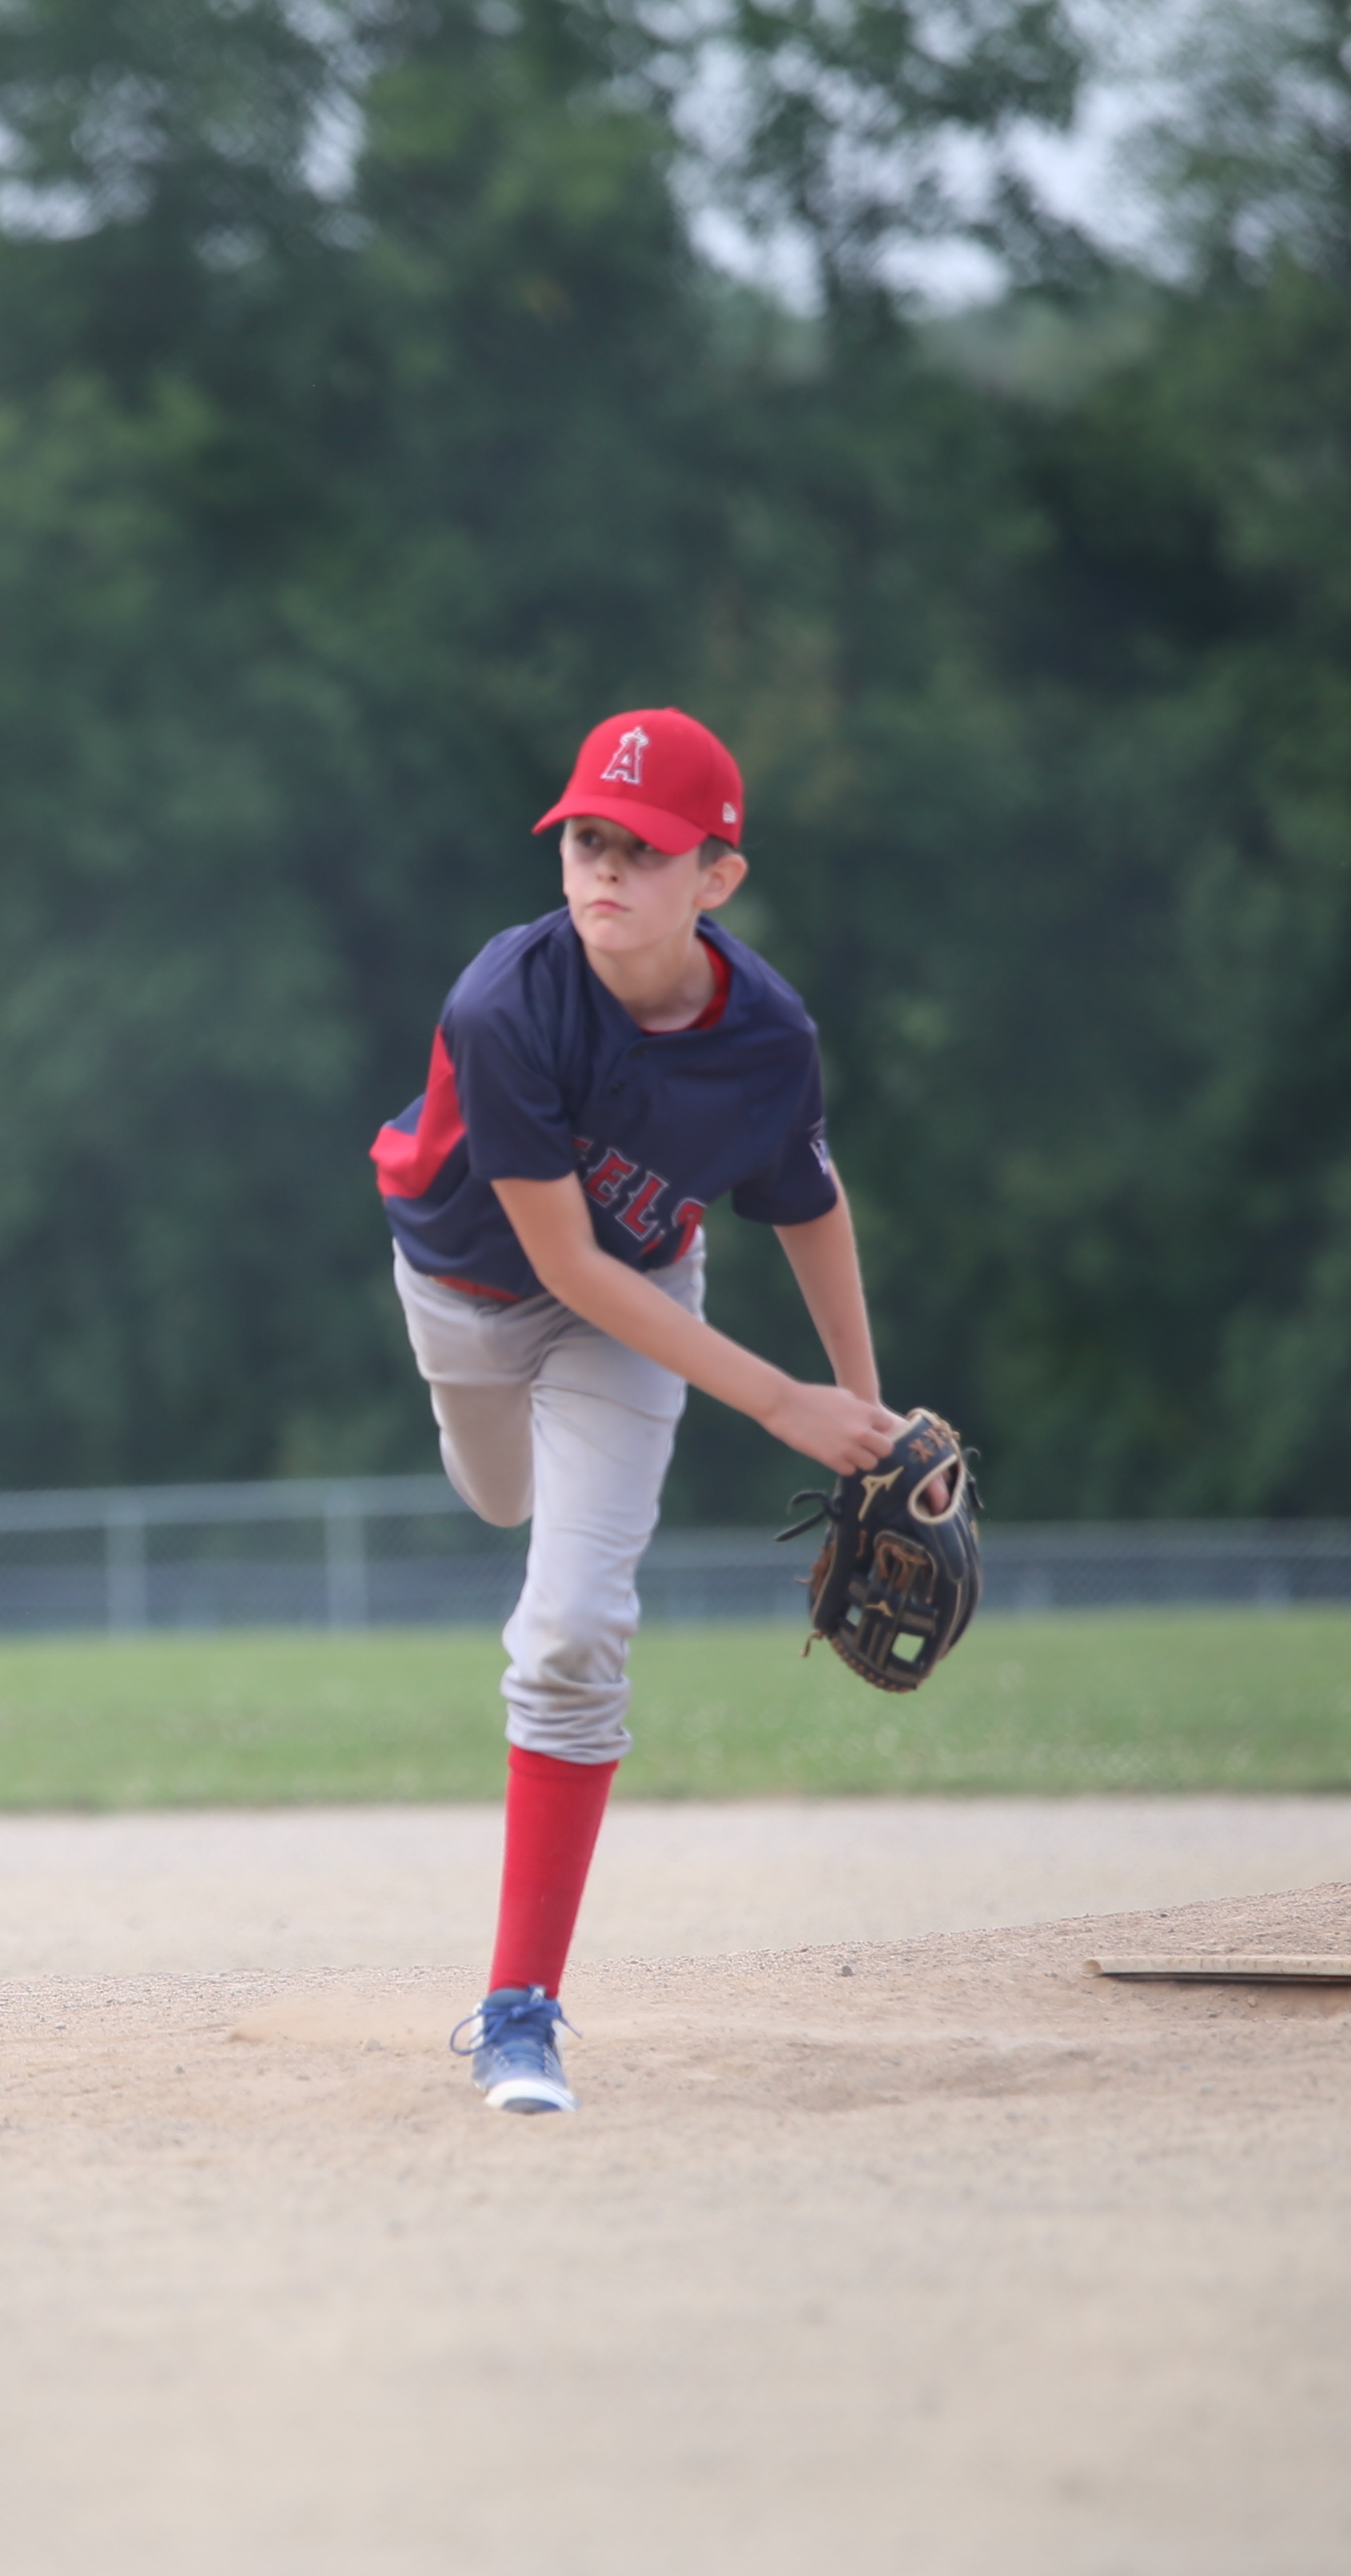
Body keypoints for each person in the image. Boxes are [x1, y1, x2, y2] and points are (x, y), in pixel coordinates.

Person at [369, 711, 901, 2112]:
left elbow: (805, 1202)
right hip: (468, 1293)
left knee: (572, 1630)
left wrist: (865, 1409)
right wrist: (783, 1402)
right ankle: (510, 1474)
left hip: (638, 1302)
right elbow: (560, 1263)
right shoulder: (507, 1004)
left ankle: (518, 2009)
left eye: (645, 849)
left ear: (717, 876)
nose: (604, 868)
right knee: (499, 1498)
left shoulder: (769, 1033)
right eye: (587, 840)